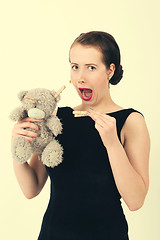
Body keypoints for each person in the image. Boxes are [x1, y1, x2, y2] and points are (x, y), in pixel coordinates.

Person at [12, 31, 150, 240]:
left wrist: (112, 144)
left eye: (91, 68)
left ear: (110, 70)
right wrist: (17, 143)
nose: (80, 77)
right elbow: (31, 189)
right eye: (75, 66)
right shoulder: (57, 119)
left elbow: (136, 201)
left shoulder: (130, 121)